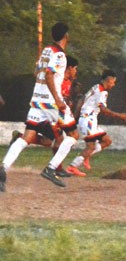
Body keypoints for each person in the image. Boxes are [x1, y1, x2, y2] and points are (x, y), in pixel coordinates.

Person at [1, 22, 78, 191]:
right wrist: (58, 99)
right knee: (73, 135)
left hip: (37, 99)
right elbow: (49, 75)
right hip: (51, 102)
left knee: (27, 137)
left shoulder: (46, 50)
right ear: (66, 35)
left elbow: (37, 72)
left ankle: (3, 168)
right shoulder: (59, 55)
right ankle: (51, 168)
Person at [73, 69, 126, 173]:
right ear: (109, 80)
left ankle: (85, 157)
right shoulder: (102, 92)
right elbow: (104, 110)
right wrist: (120, 116)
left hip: (90, 120)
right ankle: (73, 166)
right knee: (91, 146)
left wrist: (76, 116)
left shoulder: (95, 87)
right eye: (113, 82)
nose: (114, 85)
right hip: (88, 120)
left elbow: (81, 100)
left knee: (107, 141)